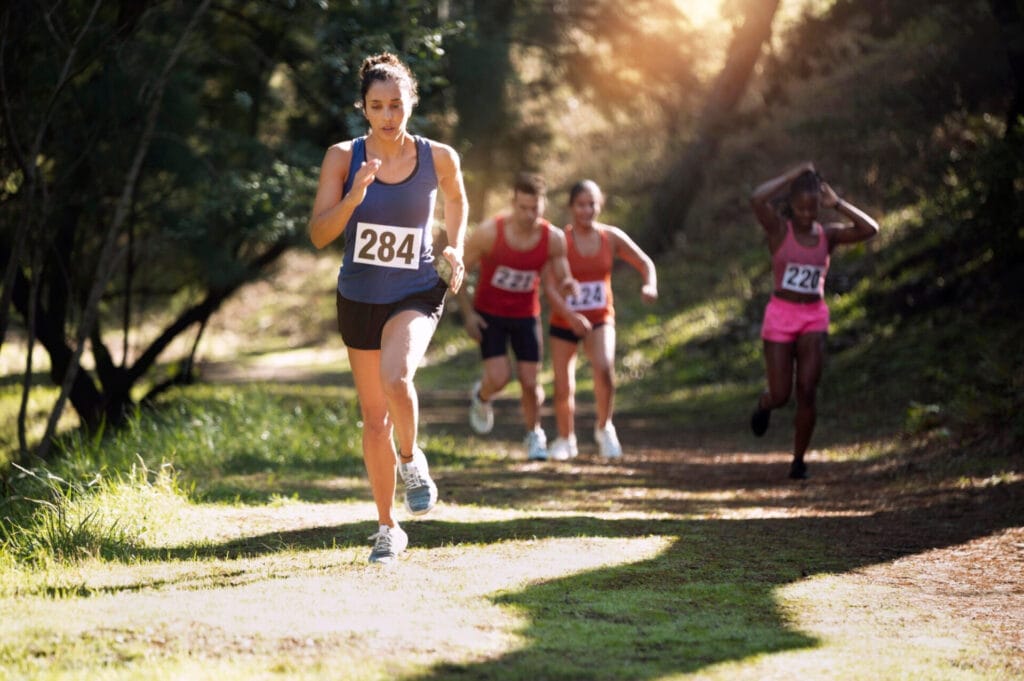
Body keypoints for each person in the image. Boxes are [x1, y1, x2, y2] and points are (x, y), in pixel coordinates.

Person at [308, 52, 468, 563]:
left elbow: (458, 200)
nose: (388, 115)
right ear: (364, 109)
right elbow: (318, 235)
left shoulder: (438, 156)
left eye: (396, 104)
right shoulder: (341, 157)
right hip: (359, 296)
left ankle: (411, 459)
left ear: (410, 103)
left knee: (399, 377)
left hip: (416, 290)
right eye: (377, 106)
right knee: (374, 419)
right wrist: (353, 197)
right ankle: (386, 527)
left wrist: (455, 245)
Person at [749, 162, 879, 479]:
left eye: (814, 208)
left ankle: (798, 460)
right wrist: (791, 175)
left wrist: (838, 204)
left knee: (807, 389)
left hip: (813, 316)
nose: (808, 214)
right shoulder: (779, 230)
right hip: (781, 315)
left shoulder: (828, 236)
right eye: (801, 208)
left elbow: (870, 229)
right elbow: (756, 198)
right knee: (782, 394)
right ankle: (765, 404)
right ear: (792, 206)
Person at [456, 172, 577, 461]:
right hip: (490, 315)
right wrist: (468, 315)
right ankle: (482, 397)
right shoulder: (489, 232)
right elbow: (458, 272)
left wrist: (569, 283)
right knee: (499, 378)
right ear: (513, 203)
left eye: (534, 208)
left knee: (531, 382)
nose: (528, 214)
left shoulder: (553, 238)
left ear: (543, 205)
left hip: (525, 315)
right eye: (523, 208)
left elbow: (563, 273)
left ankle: (535, 435)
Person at [542, 180, 657, 461]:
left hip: (600, 317)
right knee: (562, 385)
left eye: (592, 204)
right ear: (571, 207)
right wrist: (570, 316)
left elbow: (645, 262)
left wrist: (650, 285)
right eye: (581, 204)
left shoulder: (611, 237)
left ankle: (605, 428)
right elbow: (549, 286)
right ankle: (565, 438)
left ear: (600, 204)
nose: (587, 210)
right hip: (564, 319)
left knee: (604, 370)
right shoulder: (560, 240)